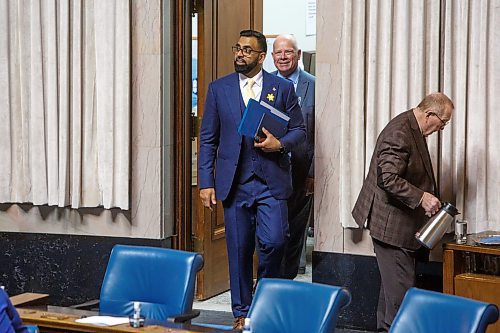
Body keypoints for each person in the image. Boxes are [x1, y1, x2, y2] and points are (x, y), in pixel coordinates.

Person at [198, 29, 305, 329]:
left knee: (275, 242)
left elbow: (300, 131)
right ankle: (242, 314)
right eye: (237, 48)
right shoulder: (219, 90)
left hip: (271, 183)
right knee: (239, 249)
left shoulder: (281, 89)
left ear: (261, 56)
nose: (239, 54)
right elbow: (208, 139)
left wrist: (279, 144)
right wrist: (206, 182)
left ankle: (265, 301)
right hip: (235, 183)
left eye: (247, 50)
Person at [351, 92, 454, 332]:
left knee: (391, 296)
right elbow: (387, 178)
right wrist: (422, 198)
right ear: (430, 114)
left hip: (399, 227)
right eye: (444, 122)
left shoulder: (413, 128)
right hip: (392, 229)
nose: (442, 128)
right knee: (402, 297)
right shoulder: (400, 132)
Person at [272, 34, 315, 278]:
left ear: (298, 55)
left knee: (295, 234)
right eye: (278, 53)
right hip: (270, 175)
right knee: (270, 235)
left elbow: (319, 135)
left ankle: (287, 281)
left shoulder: (314, 85)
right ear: (272, 57)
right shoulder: (264, 86)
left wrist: (313, 174)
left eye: (288, 52)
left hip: (301, 175)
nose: (283, 57)